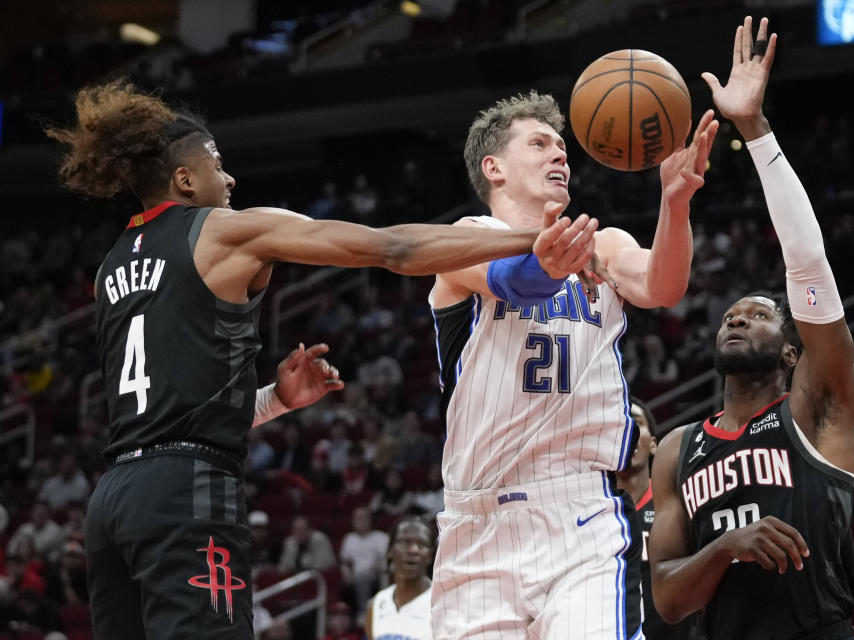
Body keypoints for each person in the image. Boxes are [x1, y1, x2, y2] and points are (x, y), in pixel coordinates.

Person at [45, 81, 595, 640]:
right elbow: (393, 248)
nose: (229, 179)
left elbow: (166, 409)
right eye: (215, 164)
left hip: (112, 499)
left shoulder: (109, 268)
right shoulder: (224, 231)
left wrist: (277, 399)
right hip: (186, 492)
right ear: (184, 180)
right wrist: (527, 240)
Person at [428, 83, 718, 637]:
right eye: (539, 144)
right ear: (493, 167)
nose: (560, 154)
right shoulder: (464, 240)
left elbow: (662, 285)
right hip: (476, 522)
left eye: (562, 147)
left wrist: (675, 204)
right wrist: (551, 263)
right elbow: (514, 281)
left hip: (580, 509)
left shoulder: (602, 245)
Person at [649, 17, 854, 640]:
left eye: (760, 312)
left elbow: (807, 263)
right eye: (730, 313)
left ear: (794, 352)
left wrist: (754, 129)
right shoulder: (676, 450)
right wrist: (724, 548)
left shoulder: (816, 407)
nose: (737, 316)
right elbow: (666, 598)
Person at [615, 399, 699, 640]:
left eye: (637, 423)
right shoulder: (591, 510)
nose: (628, 429)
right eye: (619, 422)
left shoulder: (678, 504)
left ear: (653, 444)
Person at [365, 516, 435, 640]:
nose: (413, 550)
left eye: (422, 544)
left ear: (430, 555)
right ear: (390, 551)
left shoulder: (441, 603)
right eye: (405, 542)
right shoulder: (376, 604)